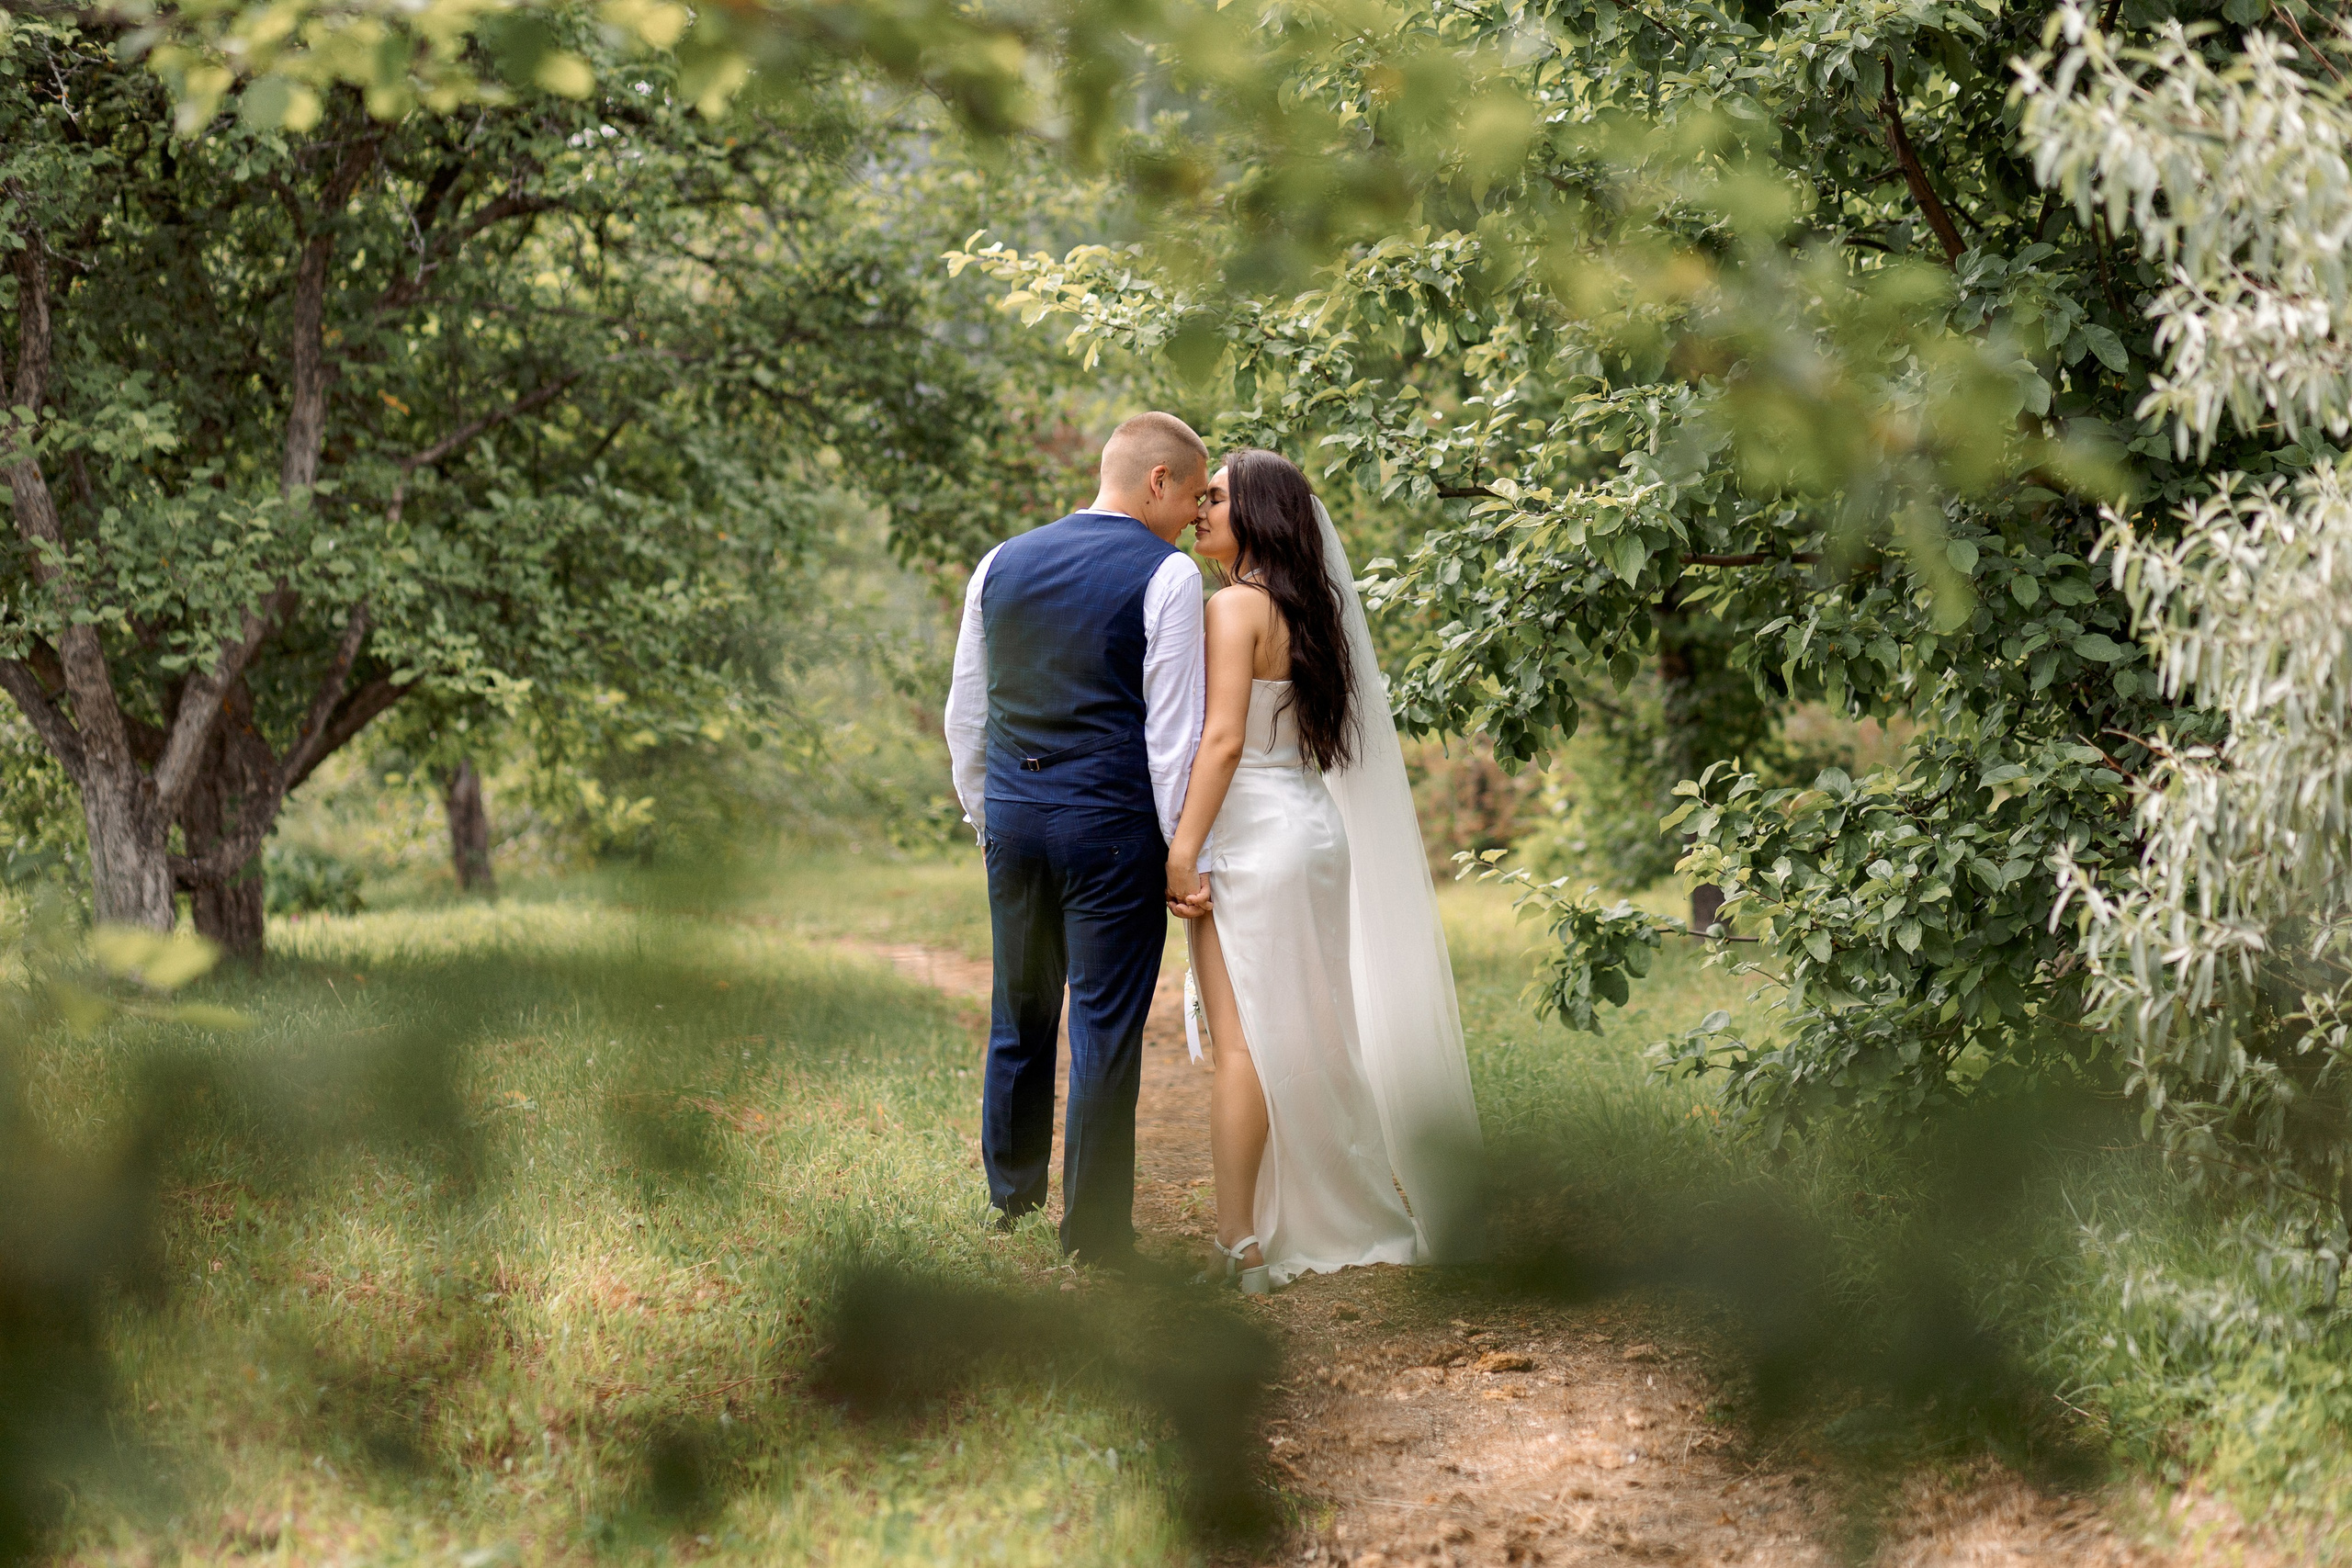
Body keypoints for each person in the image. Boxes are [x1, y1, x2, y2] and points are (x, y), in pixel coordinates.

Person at [1164, 449, 1484, 1292]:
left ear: (1260, 515)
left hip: (1251, 842)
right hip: (1310, 832)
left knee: (1242, 1047)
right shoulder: (1309, 613)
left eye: (1218, 498)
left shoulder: (1232, 608)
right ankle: (1342, 1210)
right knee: (1310, 1037)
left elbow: (1225, 741)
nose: (1201, 510)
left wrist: (1182, 849)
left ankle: (1237, 1242)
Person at [942, 412, 1211, 1266]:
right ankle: (1093, 1235)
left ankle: (1012, 1200)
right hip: (1112, 826)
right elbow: (1172, 736)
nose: (1194, 519)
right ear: (1158, 480)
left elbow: (966, 712)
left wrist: (990, 817)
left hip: (1015, 820)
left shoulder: (999, 562)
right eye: (1194, 495)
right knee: (1102, 1023)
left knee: (1019, 1011)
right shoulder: (1168, 576)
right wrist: (1179, 849)